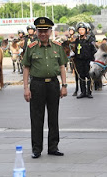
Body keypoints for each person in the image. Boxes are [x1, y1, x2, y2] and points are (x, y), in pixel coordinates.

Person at [22, 17, 68, 159]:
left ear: (50, 31)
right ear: (36, 32)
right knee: (36, 117)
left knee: (53, 117)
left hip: (53, 84)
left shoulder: (57, 47)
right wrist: (26, 88)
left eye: (45, 31)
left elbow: (62, 67)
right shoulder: (31, 48)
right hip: (37, 85)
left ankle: (53, 147)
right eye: (40, 31)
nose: (43, 34)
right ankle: (36, 149)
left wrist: (64, 85)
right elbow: (26, 67)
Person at [74, 22, 96, 99]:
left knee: (89, 77)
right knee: (81, 77)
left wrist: (93, 61)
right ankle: (83, 92)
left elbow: (94, 50)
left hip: (88, 61)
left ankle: (89, 92)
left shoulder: (90, 39)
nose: (81, 31)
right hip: (79, 61)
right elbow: (75, 50)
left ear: (86, 30)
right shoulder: (77, 40)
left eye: (83, 29)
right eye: (80, 30)